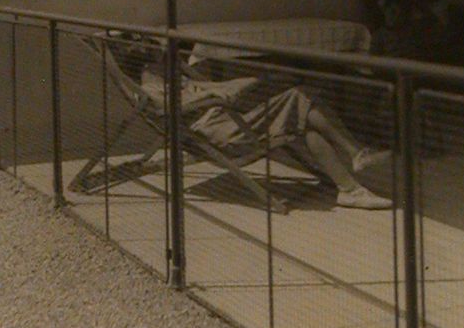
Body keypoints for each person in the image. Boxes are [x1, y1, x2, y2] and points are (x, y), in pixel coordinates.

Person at [143, 51, 392, 209]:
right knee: (300, 96)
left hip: (224, 120)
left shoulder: (167, 76)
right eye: (153, 48)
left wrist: (249, 81)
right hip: (219, 133)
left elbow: (216, 87)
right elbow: (168, 108)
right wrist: (213, 93)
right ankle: (356, 154)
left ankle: (349, 189)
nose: (163, 53)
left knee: (305, 117)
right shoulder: (148, 83)